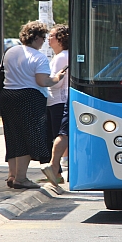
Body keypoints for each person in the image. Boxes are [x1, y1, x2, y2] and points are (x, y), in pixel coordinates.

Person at [1, 21, 67, 189]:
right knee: (27, 138)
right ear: (36, 37)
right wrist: (58, 77)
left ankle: (12, 175)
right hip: (30, 97)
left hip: (8, 95)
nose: (44, 41)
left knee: (13, 136)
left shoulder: (11, 51)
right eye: (43, 37)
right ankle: (21, 178)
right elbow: (42, 81)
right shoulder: (39, 57)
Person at [41, 24, 69, 184]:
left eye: (51, 36)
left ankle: (55, 169)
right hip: (57, 101)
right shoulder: (61, 56)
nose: (48, 39)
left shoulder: (61, 57)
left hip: (58, 101)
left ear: (60, 39)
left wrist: (43, 80)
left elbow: (56, 83)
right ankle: (56, 174)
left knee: (60, 134)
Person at [41, 102, 69, 187]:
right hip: (58, 101)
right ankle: (54, 167)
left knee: (63, 134)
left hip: (56, 101)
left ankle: (54, 168)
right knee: (64, 134)